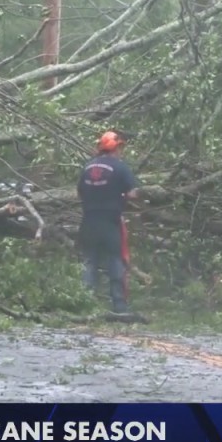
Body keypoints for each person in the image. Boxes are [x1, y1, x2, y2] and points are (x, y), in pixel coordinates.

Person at [76, 130, 139, 314]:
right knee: (115, 260)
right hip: (110, 222)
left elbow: (79, 192)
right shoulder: (120, 167)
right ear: (116, 147)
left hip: (88, 220)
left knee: (89, 261)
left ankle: (84, 303)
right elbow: (132, 193)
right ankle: (119, 304)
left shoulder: (87, 167)